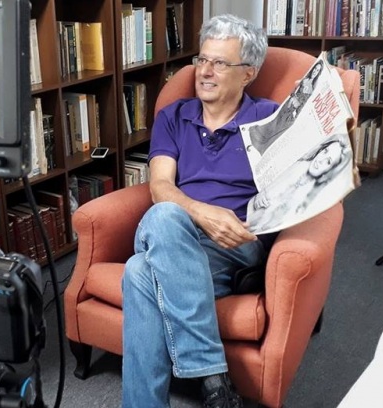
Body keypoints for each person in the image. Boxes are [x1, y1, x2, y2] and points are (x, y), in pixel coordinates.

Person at [121, 14, 280, 408]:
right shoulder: (174, 117)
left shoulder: (269, 119)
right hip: (177, 233)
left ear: (248, 73)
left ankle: (197, 383)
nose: (205, 72)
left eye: (219, 63)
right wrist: (202, 213)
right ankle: (214, 381)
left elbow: (294, 191)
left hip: (235, 244)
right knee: (161, 222)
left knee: (140, 268)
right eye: (202, 59)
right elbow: (160, 187)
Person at [247, 133, 352, 233]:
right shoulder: (296, 163)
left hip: (263, 235)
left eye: (328, 161)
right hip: (247, 215)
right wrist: (262, 192)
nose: (321, 160)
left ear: (331, 170)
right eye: (325, 151)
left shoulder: (313, 197)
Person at [245, 59, 324, 156]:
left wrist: (296, 109)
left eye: (317, 70)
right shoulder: (304, 80)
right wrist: (293, 96)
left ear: (318, 74)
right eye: (315, 69)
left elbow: (303, 104)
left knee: (282, 130)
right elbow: (294, 93)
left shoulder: (312, 87)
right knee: (275, 123)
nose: (315, 72)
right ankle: (260, 141)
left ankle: (267, 150)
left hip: (294, 111)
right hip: (288, 105)